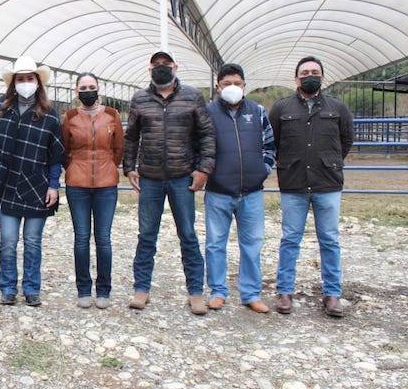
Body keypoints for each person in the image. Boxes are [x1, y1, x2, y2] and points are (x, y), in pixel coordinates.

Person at [123, 51, 215, 315]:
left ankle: (195, 292)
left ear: (175, 67)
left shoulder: (193, 97)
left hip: (182, 177)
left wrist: (203, 170)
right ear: (149, 68)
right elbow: (131, 137)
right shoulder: (140, 98)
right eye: (156, 65)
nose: (161, 69)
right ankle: (141, 289)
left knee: (187, 235)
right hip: (150, 179)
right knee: (146, 236)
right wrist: (129, 167)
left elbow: (207, 134)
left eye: (166, 65)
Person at [269, 56, 353, 317]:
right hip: (293, 183)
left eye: (314, 72)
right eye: (305, 72)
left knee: (329, 239)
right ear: (296, 79)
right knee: (290, 238)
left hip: (327, 183)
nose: (310, 75)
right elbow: (273, 142)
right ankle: (284, 292)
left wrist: (329, 163)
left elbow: (346, 141)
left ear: (322, 77)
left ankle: (332, 294)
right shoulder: (281, 108)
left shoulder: (338, 108)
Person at [0, 56, 65, 307]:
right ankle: (8, 288)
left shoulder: (50, 117)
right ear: (13, 83)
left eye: (30, 79)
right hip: (7, 183)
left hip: (37, 186)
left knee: (32, 241)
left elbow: (56, 155)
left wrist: (54, 185)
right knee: (8, 241)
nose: (25, 83)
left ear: (38, 82)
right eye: (20, 79)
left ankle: (31, 288)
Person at [204, 63, 275, 314]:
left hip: (252, 191)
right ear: (217, 87)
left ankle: (251, 293)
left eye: (237, 83)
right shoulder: (207, 112)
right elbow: (199, 146)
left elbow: (269, 145)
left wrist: (263, 169)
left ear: (245, 86)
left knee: (252, 243)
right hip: (218, 191)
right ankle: (217, 291)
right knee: (215, 243)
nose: (232, 88)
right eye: (226, 84)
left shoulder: (257, 111)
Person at [62, 72, 124, 309]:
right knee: (81, 238)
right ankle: (83, 289)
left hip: (106, 185)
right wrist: (76, 167)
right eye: (83, 87)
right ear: (77, 91)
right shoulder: (69, 117)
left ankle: (104, 290)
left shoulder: (112, 115)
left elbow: (119, 149)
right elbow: (64, 149)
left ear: (99, 89)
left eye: (92, 86)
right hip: (77, 184)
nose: (88, 90)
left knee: (103, 238)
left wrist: (108, 166)